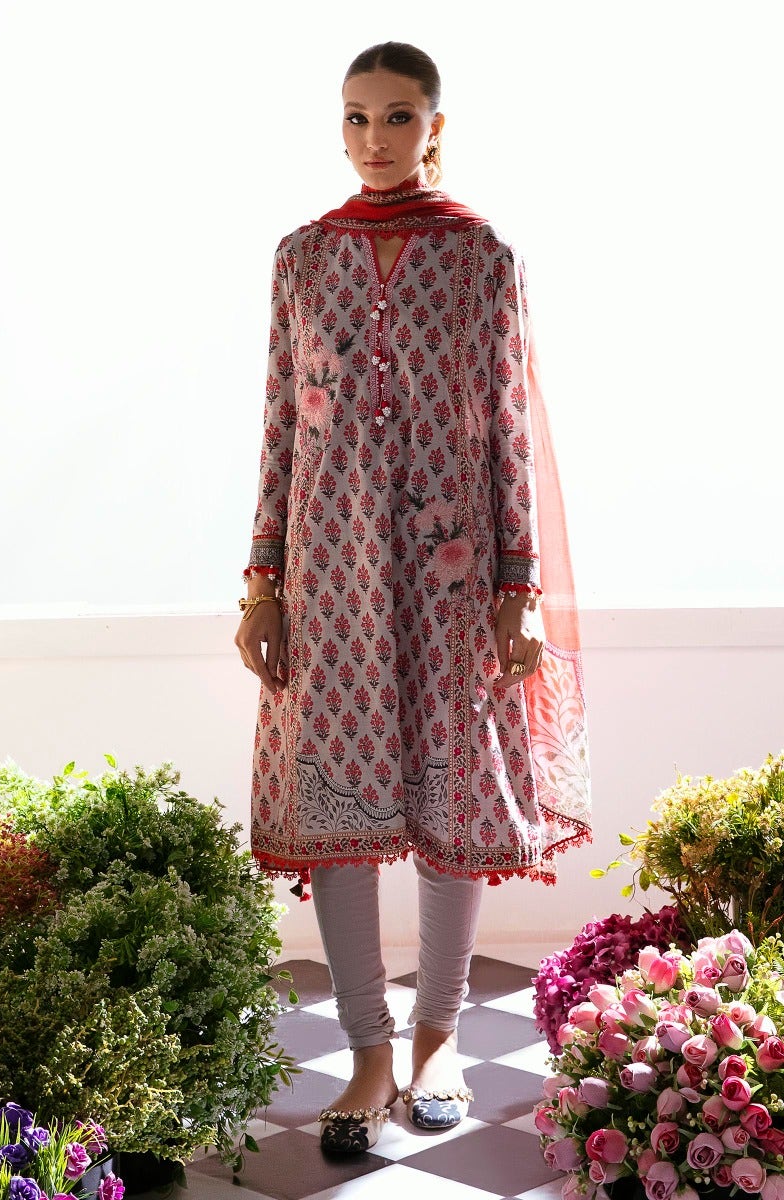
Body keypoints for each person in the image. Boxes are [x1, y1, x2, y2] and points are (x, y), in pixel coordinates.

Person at [235, 41, 592, 1155]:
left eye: (396, 117)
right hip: (330, 570)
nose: (374, 139)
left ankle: (437, 1038)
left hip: (450, 574)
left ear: (435, 126)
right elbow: (279, 427)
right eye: (356, 117)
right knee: (336, 812)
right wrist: (261, 582)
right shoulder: (302, 257)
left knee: (451, 801)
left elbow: (508, 430)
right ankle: (367, 1053)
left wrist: (519, 587)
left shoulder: (483, 257)